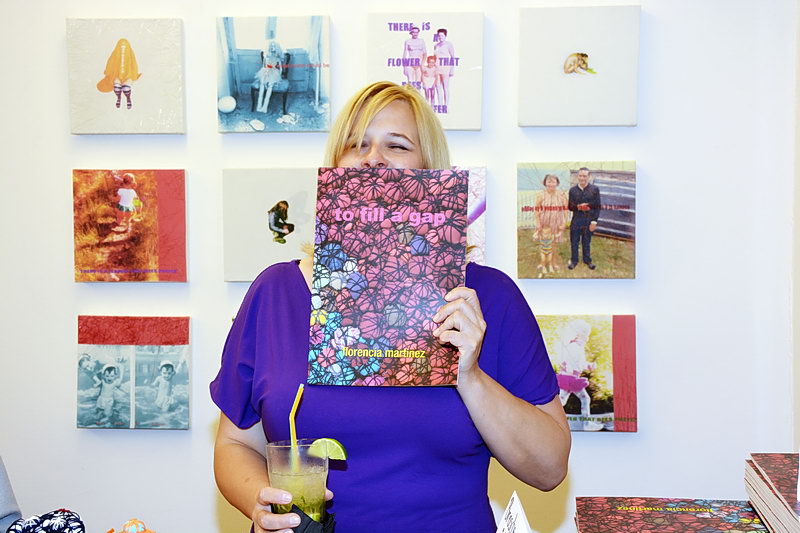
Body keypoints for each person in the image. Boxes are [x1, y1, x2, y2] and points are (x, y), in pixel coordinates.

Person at [211, 81, 571, 533]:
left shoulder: (488, 298)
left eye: (396, 145)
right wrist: (260, 503)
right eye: (355, 144)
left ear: (430, 170)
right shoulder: (276, 293)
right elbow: (235, 444)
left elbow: (549, 468)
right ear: (334, 166)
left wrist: (471, 377)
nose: (372, 158)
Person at [555, 319, 602, 431]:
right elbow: (567, 361)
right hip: (569, 378)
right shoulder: (574, 347)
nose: (587, 338)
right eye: (585, 335)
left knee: (561, 401)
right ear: (578, 334)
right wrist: (569, 367)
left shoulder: (577, 348)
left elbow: (579, 363)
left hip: (570, 378)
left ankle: (549, 419)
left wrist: (589, 365)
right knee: (585, 398)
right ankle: (587, 424)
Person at [534, 174, 569, 276]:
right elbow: (536, 210)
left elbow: (566, 210)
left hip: (556, 223)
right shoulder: (540, 195)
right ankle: (542, 263)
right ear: (545, 183)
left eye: (553, 181)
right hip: (544, 223)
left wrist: (564, 223)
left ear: (557, 183)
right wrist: (538, 223)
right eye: (549, 181)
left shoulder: (561, 195)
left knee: (554, 243)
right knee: (543, 243)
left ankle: (554, 263)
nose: (551, 184)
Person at [567, 167, 601, 270]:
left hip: (588, 220)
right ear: (577, 176)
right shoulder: (572, 190)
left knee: (586, 241)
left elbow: (597, 206)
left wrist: (594, 222)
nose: (582, 178)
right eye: (580, 176)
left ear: (589, 177)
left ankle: (587, 260)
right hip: (576, 220)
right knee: (574, 241)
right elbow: (570, 207)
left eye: (585, 176)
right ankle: (574, 261)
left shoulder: (594, 189)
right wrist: (578, 207)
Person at [96, 38, 141, 109]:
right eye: (121, 46)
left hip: (128, 74)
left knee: (126, 87)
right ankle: (118, 97)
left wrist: (134, 74)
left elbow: (134, 64)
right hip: (117, 74)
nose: (123, 48)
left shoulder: (130, 54)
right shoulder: (115, 54)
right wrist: (108, 72)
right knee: (117, 85)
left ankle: (128, 98)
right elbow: (110, 62)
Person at [255, 41, 283, 114]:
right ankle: (259, 106)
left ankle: (265, 107)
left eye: (274, 46)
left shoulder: (277, 58)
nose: (273, 48)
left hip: (274, 72)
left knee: (270, 86)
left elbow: (280, 69)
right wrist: (265, 73)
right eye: (271, 46)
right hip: (265, 71)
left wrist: (278, 76)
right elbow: (264, 66)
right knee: (262, 84)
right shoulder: (266, 56)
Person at [433, 28, 456, 108]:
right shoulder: (436, 45)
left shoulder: (449, 44)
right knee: (438, 87)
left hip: (445, 67)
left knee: (445, 87)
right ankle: (440, 105)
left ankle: (446, 105)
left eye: (442, 35)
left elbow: (453, 57)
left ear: (445, 36)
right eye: (439, 35)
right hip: (437, 68)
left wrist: (452, 69)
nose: (440, 37)